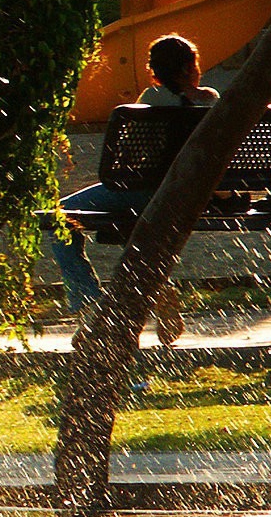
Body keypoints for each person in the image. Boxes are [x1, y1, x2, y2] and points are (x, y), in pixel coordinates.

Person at [46, 34, 219, 344]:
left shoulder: (153, 99)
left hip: (144, 191)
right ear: (192, 67)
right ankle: (158, 288)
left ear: (154, 71)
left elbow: (124, 160)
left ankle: (92, 310)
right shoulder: (210, 100)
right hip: (188, 196)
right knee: (136, 224)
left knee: (59, 219)